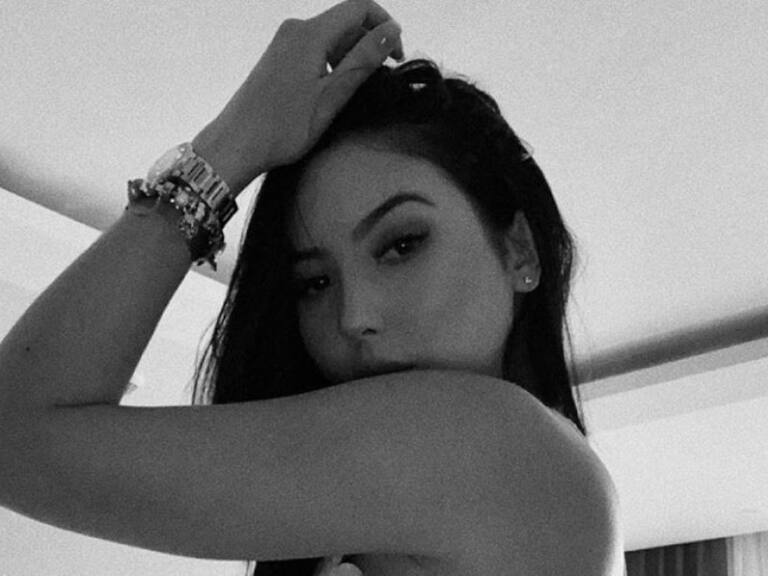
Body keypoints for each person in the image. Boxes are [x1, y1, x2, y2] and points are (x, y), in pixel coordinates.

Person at [0, 0, 624, 575]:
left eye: (402, 244)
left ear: (518, 249)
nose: (353, 316)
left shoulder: (498, 445)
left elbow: (13, 435)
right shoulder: (526, 478)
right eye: (315, 281)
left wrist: (232, 143)